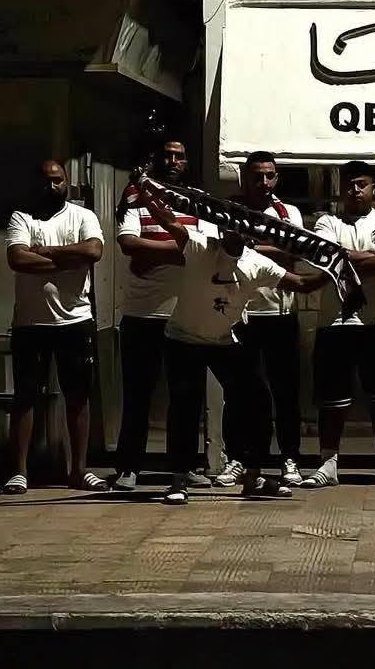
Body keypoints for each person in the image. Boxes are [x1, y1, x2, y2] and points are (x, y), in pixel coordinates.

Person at [134, 179, 323, 504]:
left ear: (250, 232)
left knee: (258, 401)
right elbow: (168, 221)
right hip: (183, 339)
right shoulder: (199, 246)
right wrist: (145, 189)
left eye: (241, 225)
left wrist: (335, 272)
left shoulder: (257, 263)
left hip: (223, 340)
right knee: (185, 406)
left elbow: (301, 284)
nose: (234, 231)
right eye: (229, 224)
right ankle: (178, 481)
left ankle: (253, 475)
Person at [302, 161, 375, 489]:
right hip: (334, 321)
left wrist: (344, 256)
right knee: (331, 399)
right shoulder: (327, 221)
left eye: (361, 184)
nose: (355, 190)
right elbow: (324, 259)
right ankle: (328, 465)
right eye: (349, 184)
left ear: (374, 188)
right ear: (340, 189)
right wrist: (367, 256)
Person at [112, 138, 210, 492]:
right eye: (167, 155)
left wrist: (154, 253)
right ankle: (128, 467)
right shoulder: (135, 198)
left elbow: (203, 250)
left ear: (187, 162)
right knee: (137, 395)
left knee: (187, 397)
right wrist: (181, 247)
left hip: (186, 314)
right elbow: (128, 244)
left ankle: (183, 467)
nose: (172, 161)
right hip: (142, 314)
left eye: (179, 156)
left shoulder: (198, 201)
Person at [4, 160, 106, 494]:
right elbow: (18, 259)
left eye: (58, 180)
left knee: (78, 395)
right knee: (25, 396)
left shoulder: (83, 216)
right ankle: (19, 472)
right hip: (30, 322)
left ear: (66, 182)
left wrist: (46, 252)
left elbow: (94, 250)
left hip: (75, 319)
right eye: (46, 181)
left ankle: (79, 470)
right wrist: (68, 261)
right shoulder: (22, 217)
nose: (52, 187)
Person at [223, 150, 307, 488]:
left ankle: (289, 457)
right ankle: (238, 458)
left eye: (269, 175)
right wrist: (272, 245)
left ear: (277, 178)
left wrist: (250, 246)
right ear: (245, 178)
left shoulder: (288, 212)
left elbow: (295, 250)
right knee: (238, 391)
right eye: (257, 175)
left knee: (285, 391)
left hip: (280, 313)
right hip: (241, 313)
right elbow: (223, 249)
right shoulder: (230, 210)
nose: (264, 182)